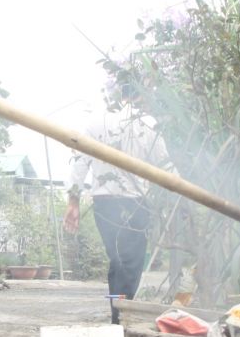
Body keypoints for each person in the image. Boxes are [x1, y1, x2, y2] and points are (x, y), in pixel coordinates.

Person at [63, 80, 168, 323]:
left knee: (118, 261)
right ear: (141, 96)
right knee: (130, 264)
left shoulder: (97, 122)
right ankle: (122, 315)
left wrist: (73, 201)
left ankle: (118, 314)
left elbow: (80, 162)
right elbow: (165, 166)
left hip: (105, 204)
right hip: (135, 203)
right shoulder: (149, 124)